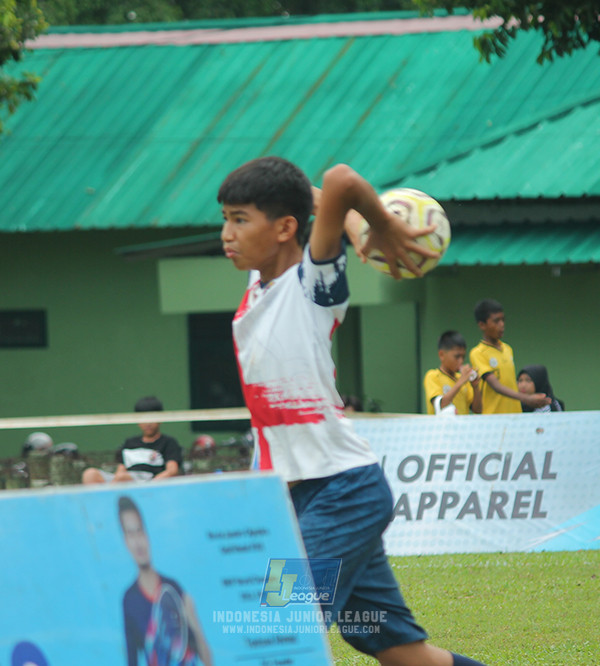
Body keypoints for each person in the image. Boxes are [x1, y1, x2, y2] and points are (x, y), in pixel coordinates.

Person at [218, 156, 487, 666]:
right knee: (402, 652)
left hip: (342, 491)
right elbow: (312, 196)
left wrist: (378, 225)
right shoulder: (259, 288)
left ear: (285, 229)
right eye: (226, 218)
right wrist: (355, 220)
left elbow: (339, 180)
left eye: (239, 218)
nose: (226, 233)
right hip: (304, 498)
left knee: (282, 630)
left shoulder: (312, 286)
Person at [118, 496, 212, 666]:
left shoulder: (173, 588)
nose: (138, 542)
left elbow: (207, 659)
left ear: (147, 534)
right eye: (130, 534)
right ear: (125, 541)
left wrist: (193, 621)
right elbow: (131, 660)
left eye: (139, 530)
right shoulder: (129, 600)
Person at [469, 299, 550, 414]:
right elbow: (495, 385)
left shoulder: (507, 349)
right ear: (482, 325)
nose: (502, 325)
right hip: (494, 418)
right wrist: (526, 398)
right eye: (496, 321)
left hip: (514, 416)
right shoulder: (478, 353)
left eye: (503, 320)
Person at [82, 396, 182, 485]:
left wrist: (152, 484)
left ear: (161, 418)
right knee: (90, 474)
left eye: (151, 418)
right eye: (143, 418)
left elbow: (172, 470)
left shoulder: (168, 442)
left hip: (149, 481)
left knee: (123, 478)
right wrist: (116, 480)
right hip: (122, 481)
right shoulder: (129, 443)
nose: (148, 423)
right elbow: (120, 470)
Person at [423, 330, 482, 415]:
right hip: (441, 428)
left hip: (463, 428)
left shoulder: (463, 379)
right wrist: (461, 381)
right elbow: (441, 405)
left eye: (463, 356)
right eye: (457, 356)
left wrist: (475, 387)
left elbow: (478, 410)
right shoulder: (433, 376)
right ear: (441, 355)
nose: (461, 361)